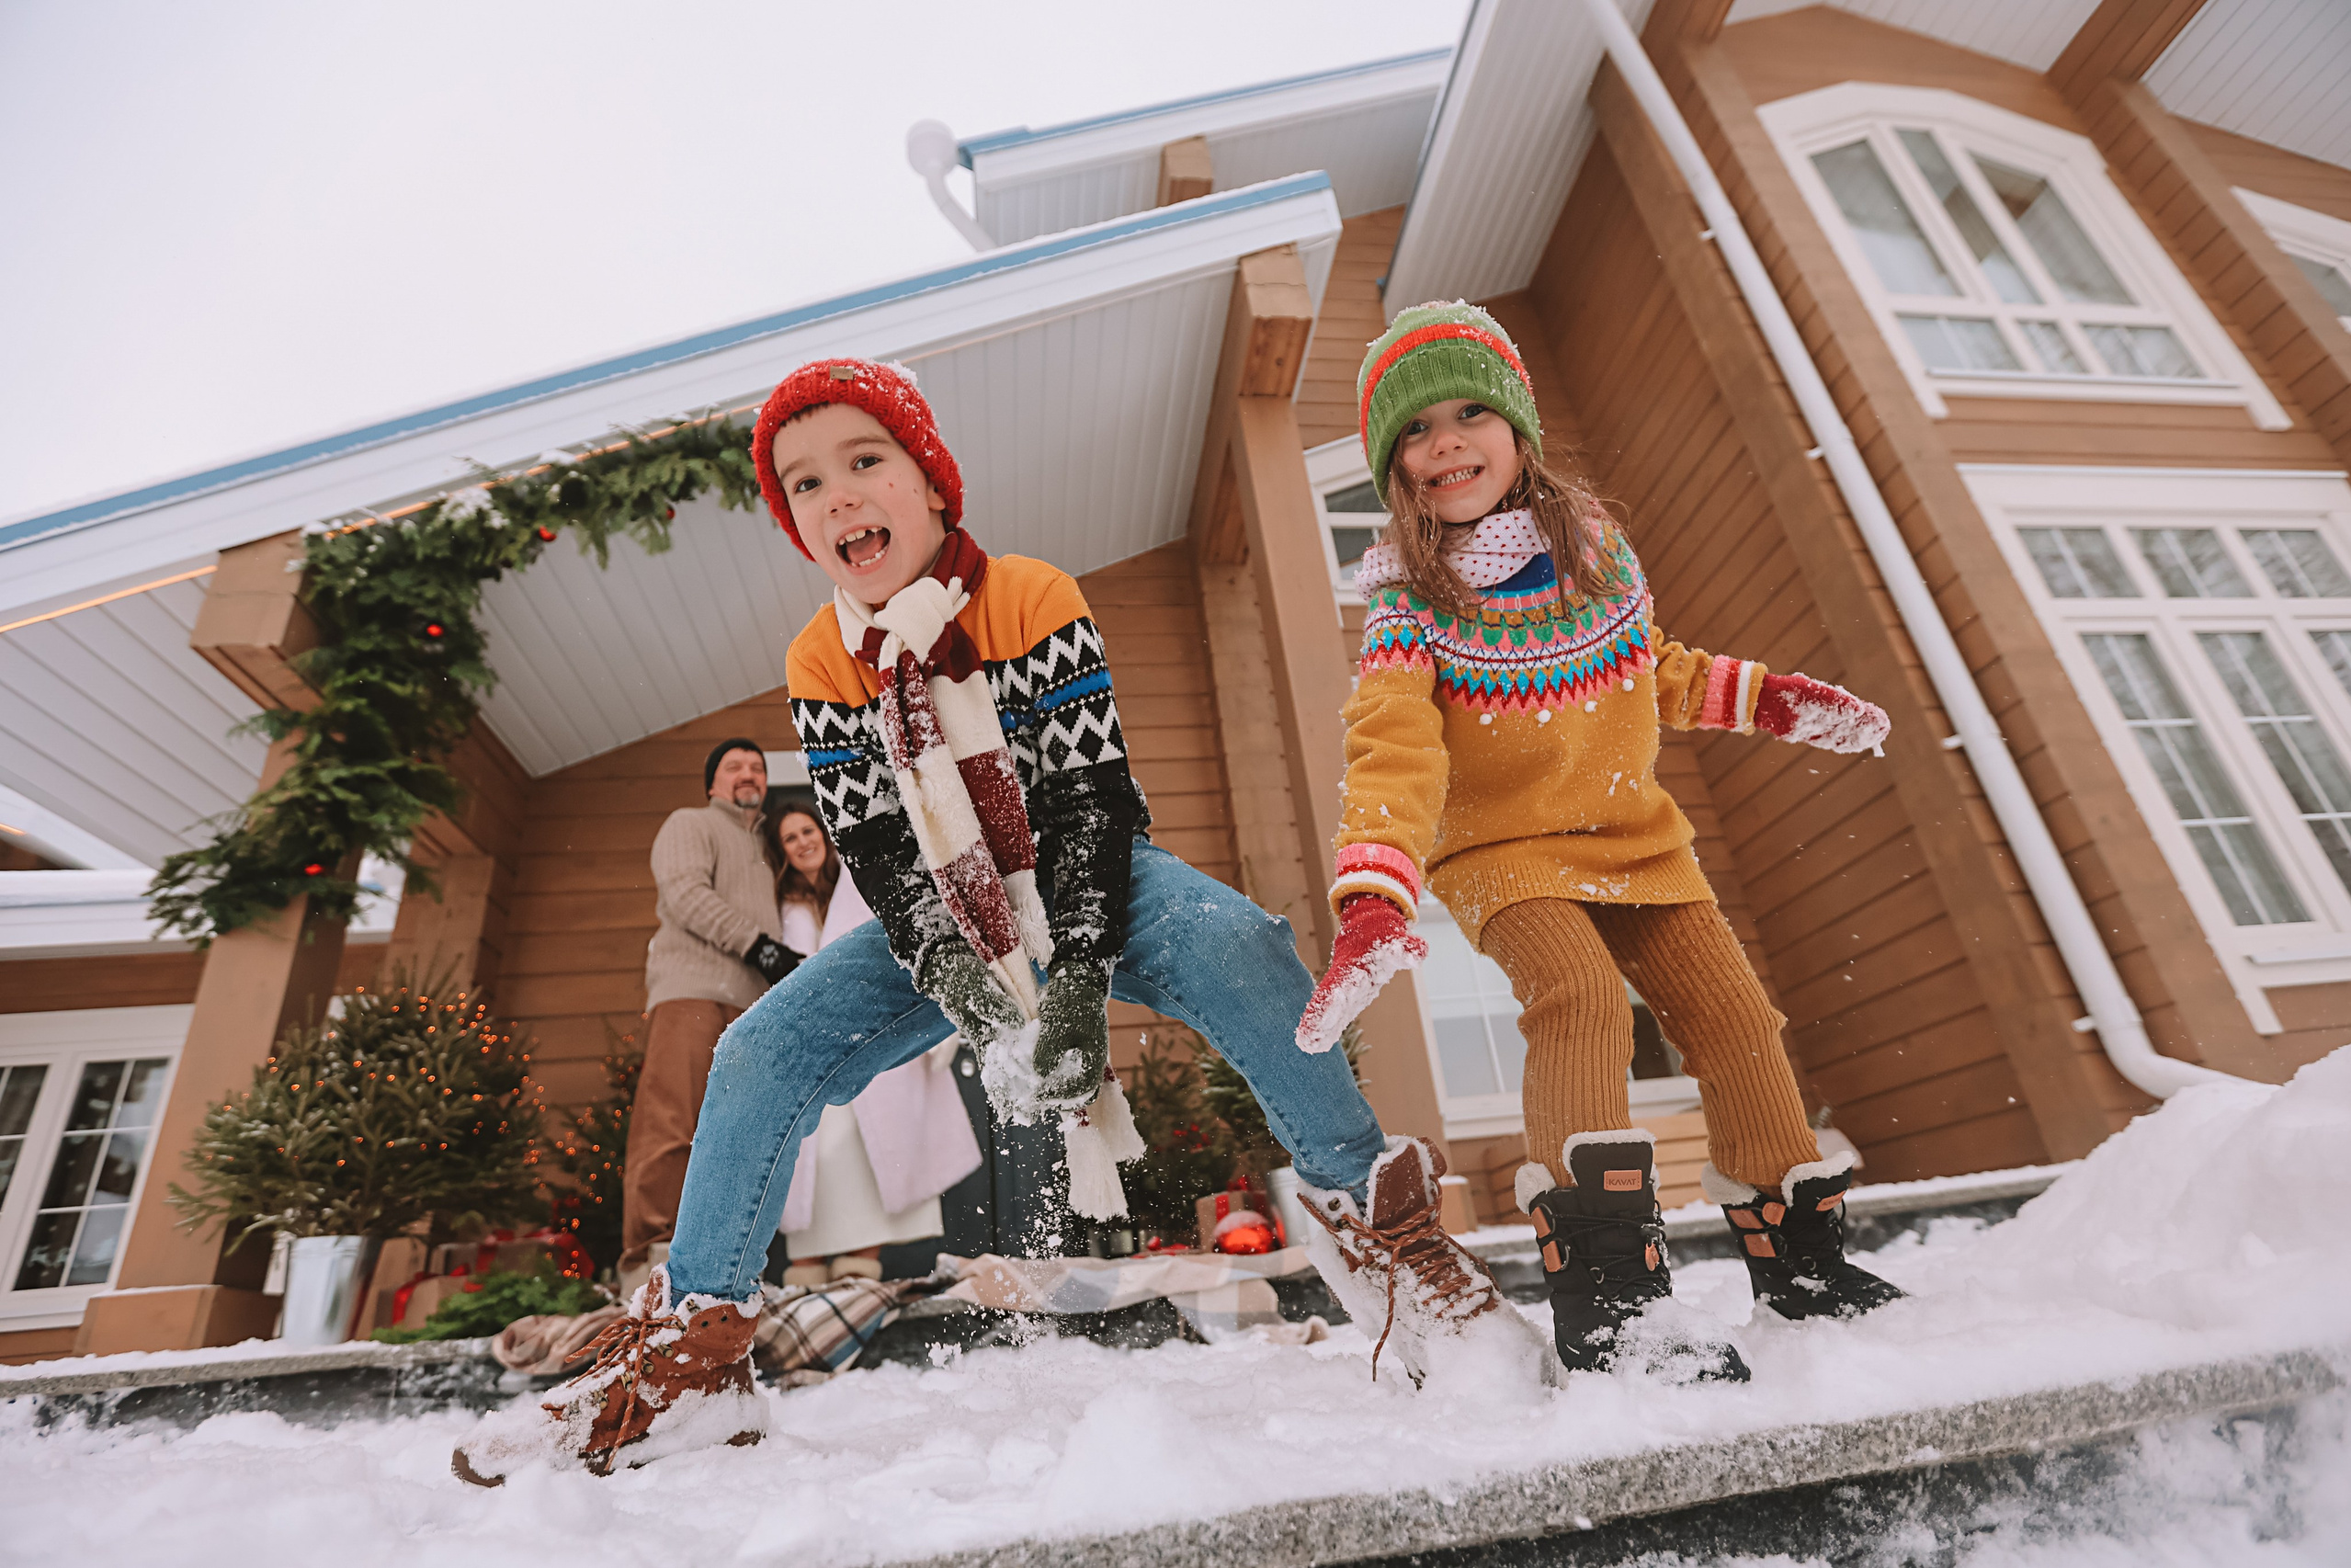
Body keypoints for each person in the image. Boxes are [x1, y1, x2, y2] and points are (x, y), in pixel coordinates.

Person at [453, 358, 1544, 1484]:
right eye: (804, 483)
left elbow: (1088, 801)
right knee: (758, 1047)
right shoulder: (822, 660)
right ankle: (691, 1356)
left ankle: (1389, 1238)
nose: (837, 495)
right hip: (939, 913)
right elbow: (876, 846)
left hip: (1090, 878)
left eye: (863, 461)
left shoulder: (1028, 594)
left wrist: (1070, 980)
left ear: (929, 483)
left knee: (1239, 944)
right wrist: (969, 985)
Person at [1297, 302, 1905, 1384]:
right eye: (1416, 429)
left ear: (1517, 430)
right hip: (1504, 852)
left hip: (1639, 838)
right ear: (1395, 466)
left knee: (1737, 1018)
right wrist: (1375, 892)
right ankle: (1612, 1298)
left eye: (1468, 413)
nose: (1446, 443)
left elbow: (1651, 667)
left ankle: (1802, 1260)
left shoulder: (1595, 553)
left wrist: (1763, 699)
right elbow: (1388, 746)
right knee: (1574, 996)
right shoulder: (1406, 601)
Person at [763, 801, 981, 1284]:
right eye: (790, 839)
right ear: (781, 854)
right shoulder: (780, 910)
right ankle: (810, 1299)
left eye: (807, 831)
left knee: (872, 1167)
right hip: (813, 1060)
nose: (803, 842)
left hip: (871, 1051)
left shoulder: (862, 889)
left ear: (824, 833)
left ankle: (857, 1292)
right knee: (817, 1178)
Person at [619, 739, 799, 1299]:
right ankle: (646, 1260)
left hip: (751, 1007)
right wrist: (759, 947)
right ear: (712, 783)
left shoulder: (769, 850)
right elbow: (684, 895)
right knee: (673, 1120)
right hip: (693, 992)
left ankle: (718, 1268)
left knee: (732, 1135)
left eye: (757, 767)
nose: (748, 774)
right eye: (734, 767)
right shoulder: (690, 823)